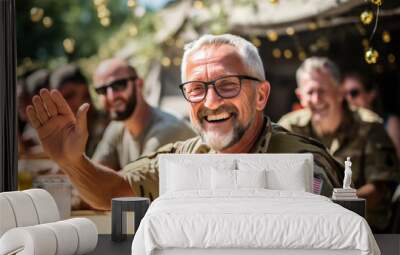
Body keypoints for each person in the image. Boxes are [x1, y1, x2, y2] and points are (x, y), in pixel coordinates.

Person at [26, 34, 343, 211]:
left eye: (228, 85)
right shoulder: (181, 158)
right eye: (196, 89)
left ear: (261, 95)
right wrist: (71, 162)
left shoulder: (306, 162)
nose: (211, 101)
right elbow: (115, 191)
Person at [279, 57, 399, 232]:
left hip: (364, 232)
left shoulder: (369, 126)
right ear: (300, 96)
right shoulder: (288, 128)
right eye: (310, 92)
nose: (317, 98)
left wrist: (331, 207)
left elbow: (381, 188)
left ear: (339, 92)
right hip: (304, 231)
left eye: (323, 90)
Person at [91, 58, 196, 170]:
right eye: (102, 90)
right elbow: (92, 175)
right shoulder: (117, 128)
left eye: (119, 85)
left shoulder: (168, 130)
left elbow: (128, 185)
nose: (111, 96)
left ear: (139, 84)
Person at [50, 64, 109, 157]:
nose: (62, 104)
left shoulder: (107, 125)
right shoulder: (69, 130)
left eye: (68, 96)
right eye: (57, 100)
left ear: (86, 93)